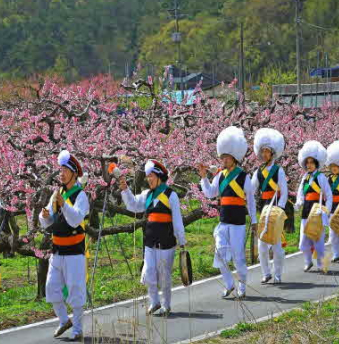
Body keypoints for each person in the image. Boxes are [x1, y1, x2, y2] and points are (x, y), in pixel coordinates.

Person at [119, 160, 186, 316]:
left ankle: (166, 305)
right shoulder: (147, 194)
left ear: (159, 177)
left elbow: (177, 220)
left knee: (164, 276)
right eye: (147, 176)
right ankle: (154, 302)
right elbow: (133, 205)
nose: (148, 179)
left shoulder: (171, 195)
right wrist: (125, 190)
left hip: (166, 242)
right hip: (149, 241)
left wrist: (182, 241)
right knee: (149, 272)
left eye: (151, 176)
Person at [198, 126, 257, 298]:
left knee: (238, 257)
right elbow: (210, 193)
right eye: (222, 156)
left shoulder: (243, 176)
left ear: (234, 158)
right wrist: (203, 177)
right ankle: (229, 284)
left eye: (226, 157)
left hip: (238, 223)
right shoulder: (220, 175)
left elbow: (250, 200)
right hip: (223, 221)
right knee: (220, 255)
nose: (223, 159)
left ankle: (242, 287)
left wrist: (254, 220)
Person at [40, 150, 89, 341]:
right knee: (51, 287)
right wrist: (45, 216)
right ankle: (63, 320)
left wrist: (64, 204)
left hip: (74, 250)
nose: (61, 174)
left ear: (74, 174)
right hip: (57, 249)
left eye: (65, 170)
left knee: (76, 289)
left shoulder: (81, 196)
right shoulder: (57, 193)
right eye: (60, 170)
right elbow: (49, 220)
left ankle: (77, 328)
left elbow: (75, 219)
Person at [251, 128, 288, 284]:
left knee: (277, 246)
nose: (265, 154)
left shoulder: (279, 170)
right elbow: (251, 189)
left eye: (267, 151)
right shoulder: (258, 172)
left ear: (272, 153)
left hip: (276, 209)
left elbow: (284, 192)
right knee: (262, 244)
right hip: (264, 209)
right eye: (263, 151)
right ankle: (266, 273)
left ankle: (277, 274)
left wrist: (279, 209)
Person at [295, 141, 332, 271]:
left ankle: (321, 264)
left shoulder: (321, 177)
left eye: (311, 162)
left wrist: (326, 210)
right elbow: (300, 193)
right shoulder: (305, 177)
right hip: (306, 211)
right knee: (303, 242)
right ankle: (308, 261)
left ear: (316, 163)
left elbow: (328, 195)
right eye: (307, 162)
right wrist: (298, 203)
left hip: (317, 212)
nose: (309, 165)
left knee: (318, 241)